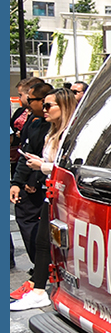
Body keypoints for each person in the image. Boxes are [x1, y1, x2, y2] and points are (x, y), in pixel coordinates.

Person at [11, 88, 77, 310]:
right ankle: (38, 289)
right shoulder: (52, 132)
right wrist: (39, 163)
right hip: (53, 196)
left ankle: (40, 288)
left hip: (67, 199)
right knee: (42, 243)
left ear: (64, 106)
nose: (44, 109)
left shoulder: (71, 134)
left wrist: (43, 166)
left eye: (49, 105)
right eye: (45, 105)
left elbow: (70, 168)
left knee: (56, 244)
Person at [9, 81, 53, 282]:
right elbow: (27, 154)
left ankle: (44, 267)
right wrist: (17, 182)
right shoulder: (35, 122)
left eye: (29, 98)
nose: (25, 101)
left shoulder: (54, 128)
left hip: (47, 185)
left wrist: (35, 180)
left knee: (40, 227)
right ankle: (41, 266)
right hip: (35, 180)